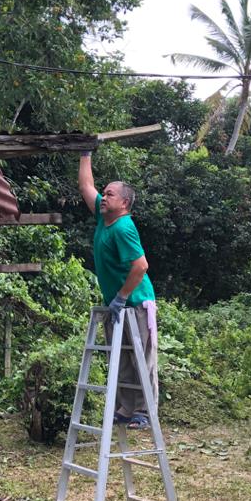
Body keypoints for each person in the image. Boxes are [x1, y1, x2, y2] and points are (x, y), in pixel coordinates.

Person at [78, 151, 157, 429]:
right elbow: (87, 187)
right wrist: (85, 153)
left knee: (139, 358)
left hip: (135, 301)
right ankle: (125, 408)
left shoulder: (123, 227)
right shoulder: (104, 217)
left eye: (110, 194)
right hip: (117, 302)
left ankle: (144, 412)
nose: (104, 197)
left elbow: (141, 266)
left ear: (123, 203)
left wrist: (122, 297)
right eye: (105, 194)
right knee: (120, 358)